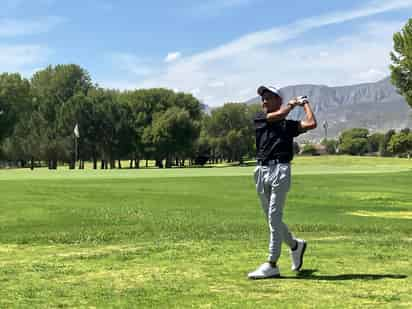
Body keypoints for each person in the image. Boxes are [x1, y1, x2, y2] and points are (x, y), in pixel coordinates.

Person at [248, 85, 317, 279]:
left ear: (278, 100)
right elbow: (276, 117)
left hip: (281, 169)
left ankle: (272, 264)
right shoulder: (260, 119)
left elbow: (311, 123)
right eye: (262, 98)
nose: (263, 101)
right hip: (261, 170)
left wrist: (305, 104)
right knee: (272, 219)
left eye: (268, 98)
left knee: (274, 217)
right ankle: (296, 246)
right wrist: (291, 104)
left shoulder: (288, 126)